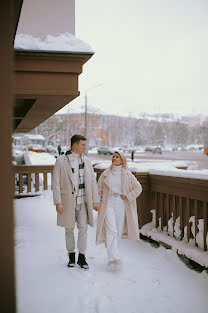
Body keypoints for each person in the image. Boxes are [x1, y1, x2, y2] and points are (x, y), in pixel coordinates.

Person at [53, 134, 100, 269]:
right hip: (67, 202)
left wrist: (95, 200)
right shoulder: (61, 161)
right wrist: (58, 202)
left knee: (83, 229)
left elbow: (92, 182)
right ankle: (71, 256)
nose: (85, 147)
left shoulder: (87, 161)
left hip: (83, 202)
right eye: (83, 145)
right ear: (75, 145)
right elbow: (55, 183)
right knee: (69, 230)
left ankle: (82, 257)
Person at [95, 151, 142, 270]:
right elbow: (98, 189)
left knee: (119, 230)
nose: (114, 158)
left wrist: (128, 196)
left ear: (122, 160)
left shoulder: (127, 174)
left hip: (121, 203)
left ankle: (113, 258)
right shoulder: (106, 174)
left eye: (117, 157)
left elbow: (138, 188)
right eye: (113, 157)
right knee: (112, 230)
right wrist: (97, 203)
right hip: (109, 202)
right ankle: (114, 257)